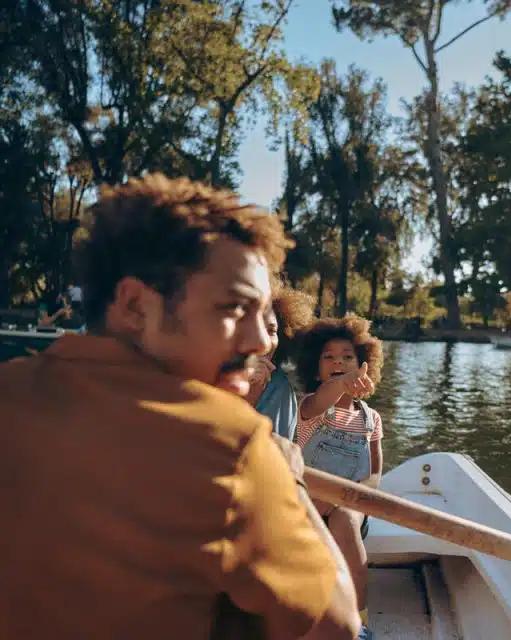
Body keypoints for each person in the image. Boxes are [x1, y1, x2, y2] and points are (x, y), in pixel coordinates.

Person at [0, 174, 360, 640]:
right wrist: (286, 475)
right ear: (135, 306)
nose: (256, 341)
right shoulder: (228, 442)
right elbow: (336, 627)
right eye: (233, 309)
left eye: (261, 315)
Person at [296, 316, 384, 640]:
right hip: (308, 501)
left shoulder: (371, 418)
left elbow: (374, 474)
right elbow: (326, 395)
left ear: (363, 364)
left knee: (346, 519)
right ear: (316, 367)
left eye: (347, 357)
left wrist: (355, 496)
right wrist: (341, 382)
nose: (339, 363)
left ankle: (357, 621)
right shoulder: (308, 406)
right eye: (329, 357)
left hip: (351, 504)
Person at [247, 285, 314, 440]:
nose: (263, 341)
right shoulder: (205, 378)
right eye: (252, 327)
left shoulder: (281, 388)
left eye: (271, 331)